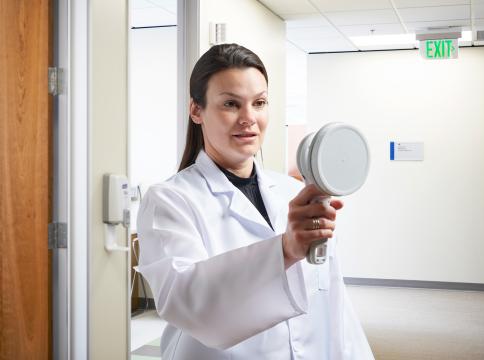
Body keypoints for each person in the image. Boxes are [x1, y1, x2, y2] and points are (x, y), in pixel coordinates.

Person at [137, 43, 374, 360]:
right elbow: (188, 303)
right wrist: (284, 250)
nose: (249, 118)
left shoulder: (292, 192)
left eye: (259, 103)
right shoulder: (169, 200)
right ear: (196, 110)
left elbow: (333, 302)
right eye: (231, 104)